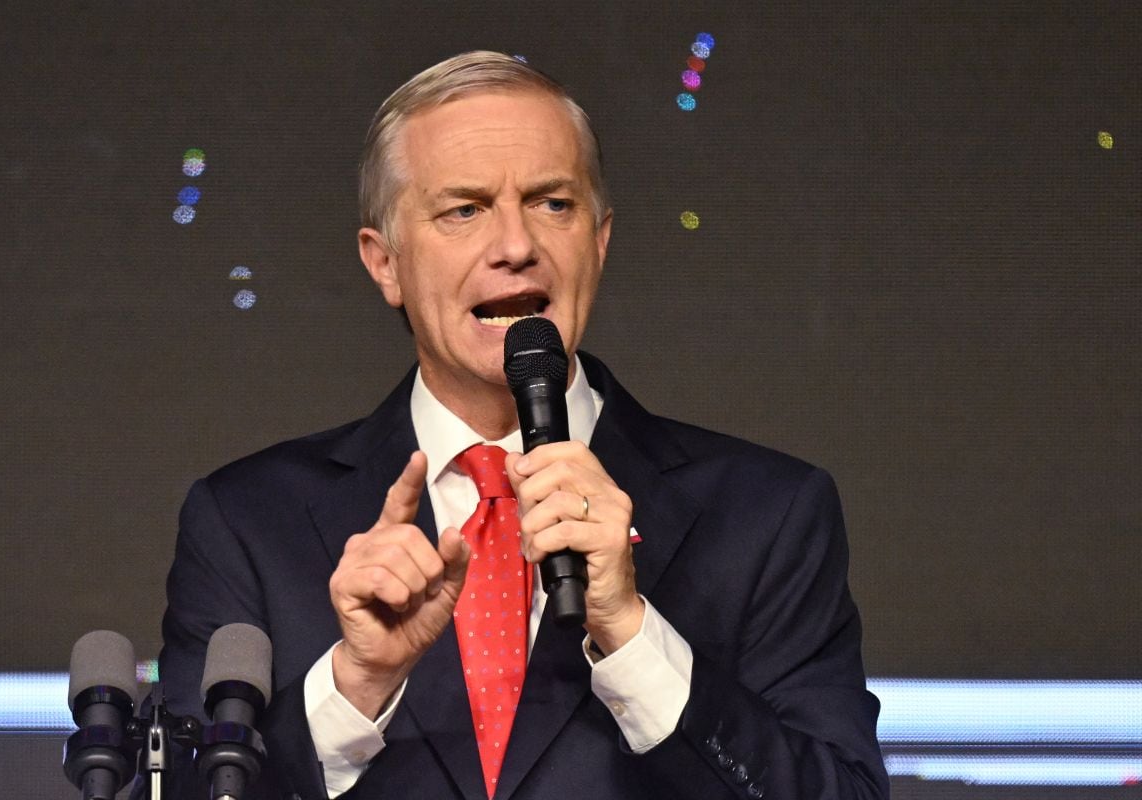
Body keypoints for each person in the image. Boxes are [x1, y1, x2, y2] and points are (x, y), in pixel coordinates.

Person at [151, 51, 889, 799]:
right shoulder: (246, 522)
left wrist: (632, 635)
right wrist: (355, 686)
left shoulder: (768, 514)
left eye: (552, 204)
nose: (516, 246)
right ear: (385, 263)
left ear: (599, 242)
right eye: (464, 210)